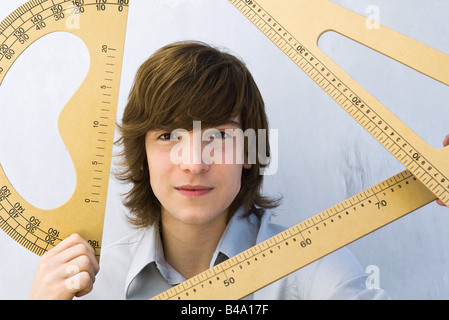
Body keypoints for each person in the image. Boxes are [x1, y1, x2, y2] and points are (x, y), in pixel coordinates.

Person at [28, 41, 447, 300]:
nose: (194, 162)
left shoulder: (314, 269)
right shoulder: (87, 282)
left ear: (251, 151)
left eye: (219, 137)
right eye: (170, 136)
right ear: (143, 153)